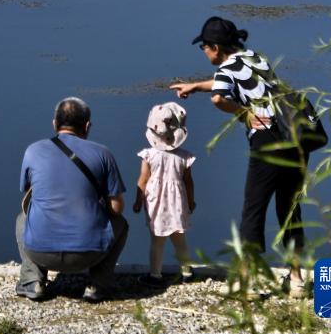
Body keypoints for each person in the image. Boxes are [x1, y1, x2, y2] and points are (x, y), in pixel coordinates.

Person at [170, 16, 306, 297]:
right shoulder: (255, 58)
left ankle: (249, 282)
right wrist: (195, 86)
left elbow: (219, 98)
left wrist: (244, 112)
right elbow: (235, 80)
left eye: (204, 47)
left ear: (216, 48)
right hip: (293, 136)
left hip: (267, 140)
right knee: (290, 208)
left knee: (253, 210)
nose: (204, 51)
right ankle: (296, 280)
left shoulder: (224, 69)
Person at [16, 97, 128, 302]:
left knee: (22, 219)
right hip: (88, 254)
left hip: (40, 252)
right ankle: (98, 285)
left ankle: (32, 281)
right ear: (87, 126)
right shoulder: (103, 153)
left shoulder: (33, 150)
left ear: (54, 124)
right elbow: (117, 208)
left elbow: (28, 193)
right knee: (121, 224)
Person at [133, 102, 195, 287]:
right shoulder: (184, 156)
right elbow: (188, 182)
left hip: (156, 203)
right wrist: (191, 201)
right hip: (178, 202)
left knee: (157, 240)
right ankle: (187, 272)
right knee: (179, 239)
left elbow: (143, 180)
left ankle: (155, 275)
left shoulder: (149, 155)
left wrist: (138, 202)